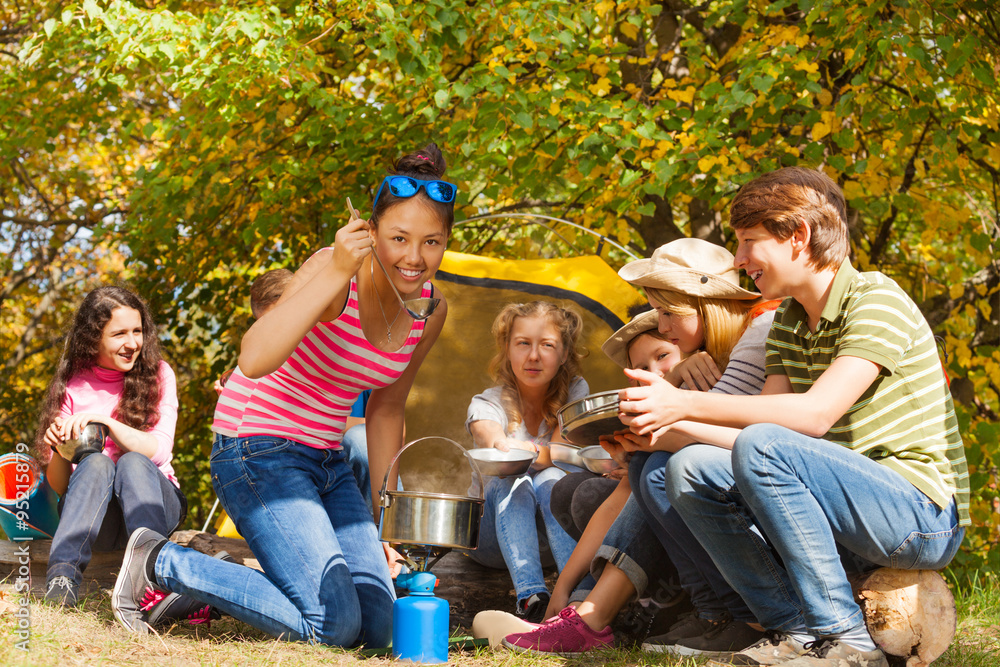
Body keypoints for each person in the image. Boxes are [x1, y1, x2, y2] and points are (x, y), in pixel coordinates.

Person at [111, 143, 458, 648]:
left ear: (446, 241)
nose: (413, 257)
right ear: (372, 232)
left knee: (379, 628)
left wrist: (388, 521)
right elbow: (252, 357)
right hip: (255, 447)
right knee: (333, 626)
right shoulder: (334, 270)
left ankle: (216, 588)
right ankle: (161, 560)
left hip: (327, 462)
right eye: (399, 237)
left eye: (431, 241)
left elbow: (386, 407)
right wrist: (337, 269)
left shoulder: (430, 308)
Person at [620, 167, 969, 667]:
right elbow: (751, 431)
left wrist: (686, 404)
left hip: (918, 516)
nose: (739, 260)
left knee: (762, 443)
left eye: (748, 242)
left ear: (798, 236)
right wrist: (661, 428)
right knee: (689, 468)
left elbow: (812, 416)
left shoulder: (876, 299)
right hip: (843, 503)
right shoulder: (786, 319)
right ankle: (797, 631)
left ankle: (848, 641)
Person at [504, 238, 780, 658]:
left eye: (669, 314)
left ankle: (704, 612)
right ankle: (613, 612)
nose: (662, 323)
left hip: (766, 490)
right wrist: (565, 590)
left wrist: (657, 429)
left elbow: (752, 434)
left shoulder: (755, 335)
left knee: (652, 470)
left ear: (704, 306)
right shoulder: (704, 358)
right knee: (617, 479)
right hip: (728, 485)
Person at [35, 286, 185, 616]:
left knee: (132, 461)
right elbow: (62, 487)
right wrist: (59, 449)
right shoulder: (73, 383)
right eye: (119, 334)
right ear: (93, 338)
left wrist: (105, 422)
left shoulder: (159, 373)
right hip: (97, 518)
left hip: (154, 501)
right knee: (97, 464)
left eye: (137, 331)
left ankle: (155, 582)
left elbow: (159, 451)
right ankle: (62, 581)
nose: (132, 342)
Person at [466, 301, 587, 623]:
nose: (533, 356)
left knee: (552, 479)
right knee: (512, 477)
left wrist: (533, 452)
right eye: (523, 344)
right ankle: (532, 599)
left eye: (547, 345)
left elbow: (560, 451)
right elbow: (488, 433)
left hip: (550, 539)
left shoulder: (576, 392)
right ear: (507, 349)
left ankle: (579, 597)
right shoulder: (487, 401)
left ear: (563, 355)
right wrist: (503, 445)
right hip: (490, 542)